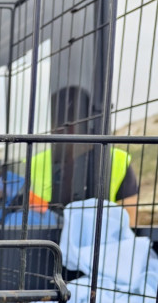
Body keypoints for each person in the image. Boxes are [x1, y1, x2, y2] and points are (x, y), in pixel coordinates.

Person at [29, 86, 139, 225]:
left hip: (99, 242)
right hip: (48, 243)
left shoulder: (119, 161)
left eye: (69, 121)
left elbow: (129, 221)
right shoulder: (35, 163)